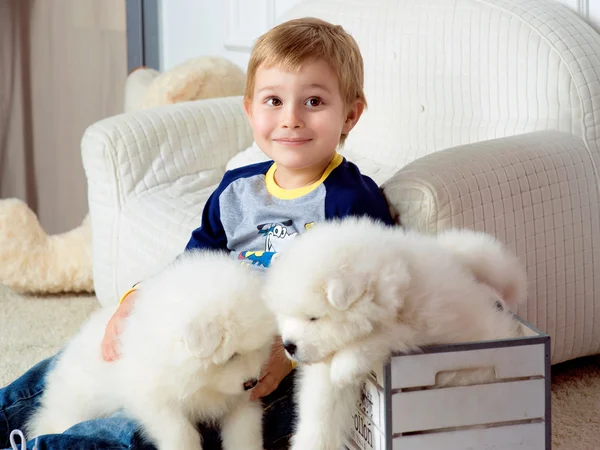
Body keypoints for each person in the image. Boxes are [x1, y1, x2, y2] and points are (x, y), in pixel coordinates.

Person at [0, 17, 394, 450]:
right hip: (211, 343)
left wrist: (290, 354)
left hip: (270, 372)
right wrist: (136, 301)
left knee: (144, 432)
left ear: (351, 115)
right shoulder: (238, 189)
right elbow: (193, 260)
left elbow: (369, 301)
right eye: (274, 101)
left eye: (314, 101)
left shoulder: (351, 201)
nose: (291, 119)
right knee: (72, 371)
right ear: (250, 110)